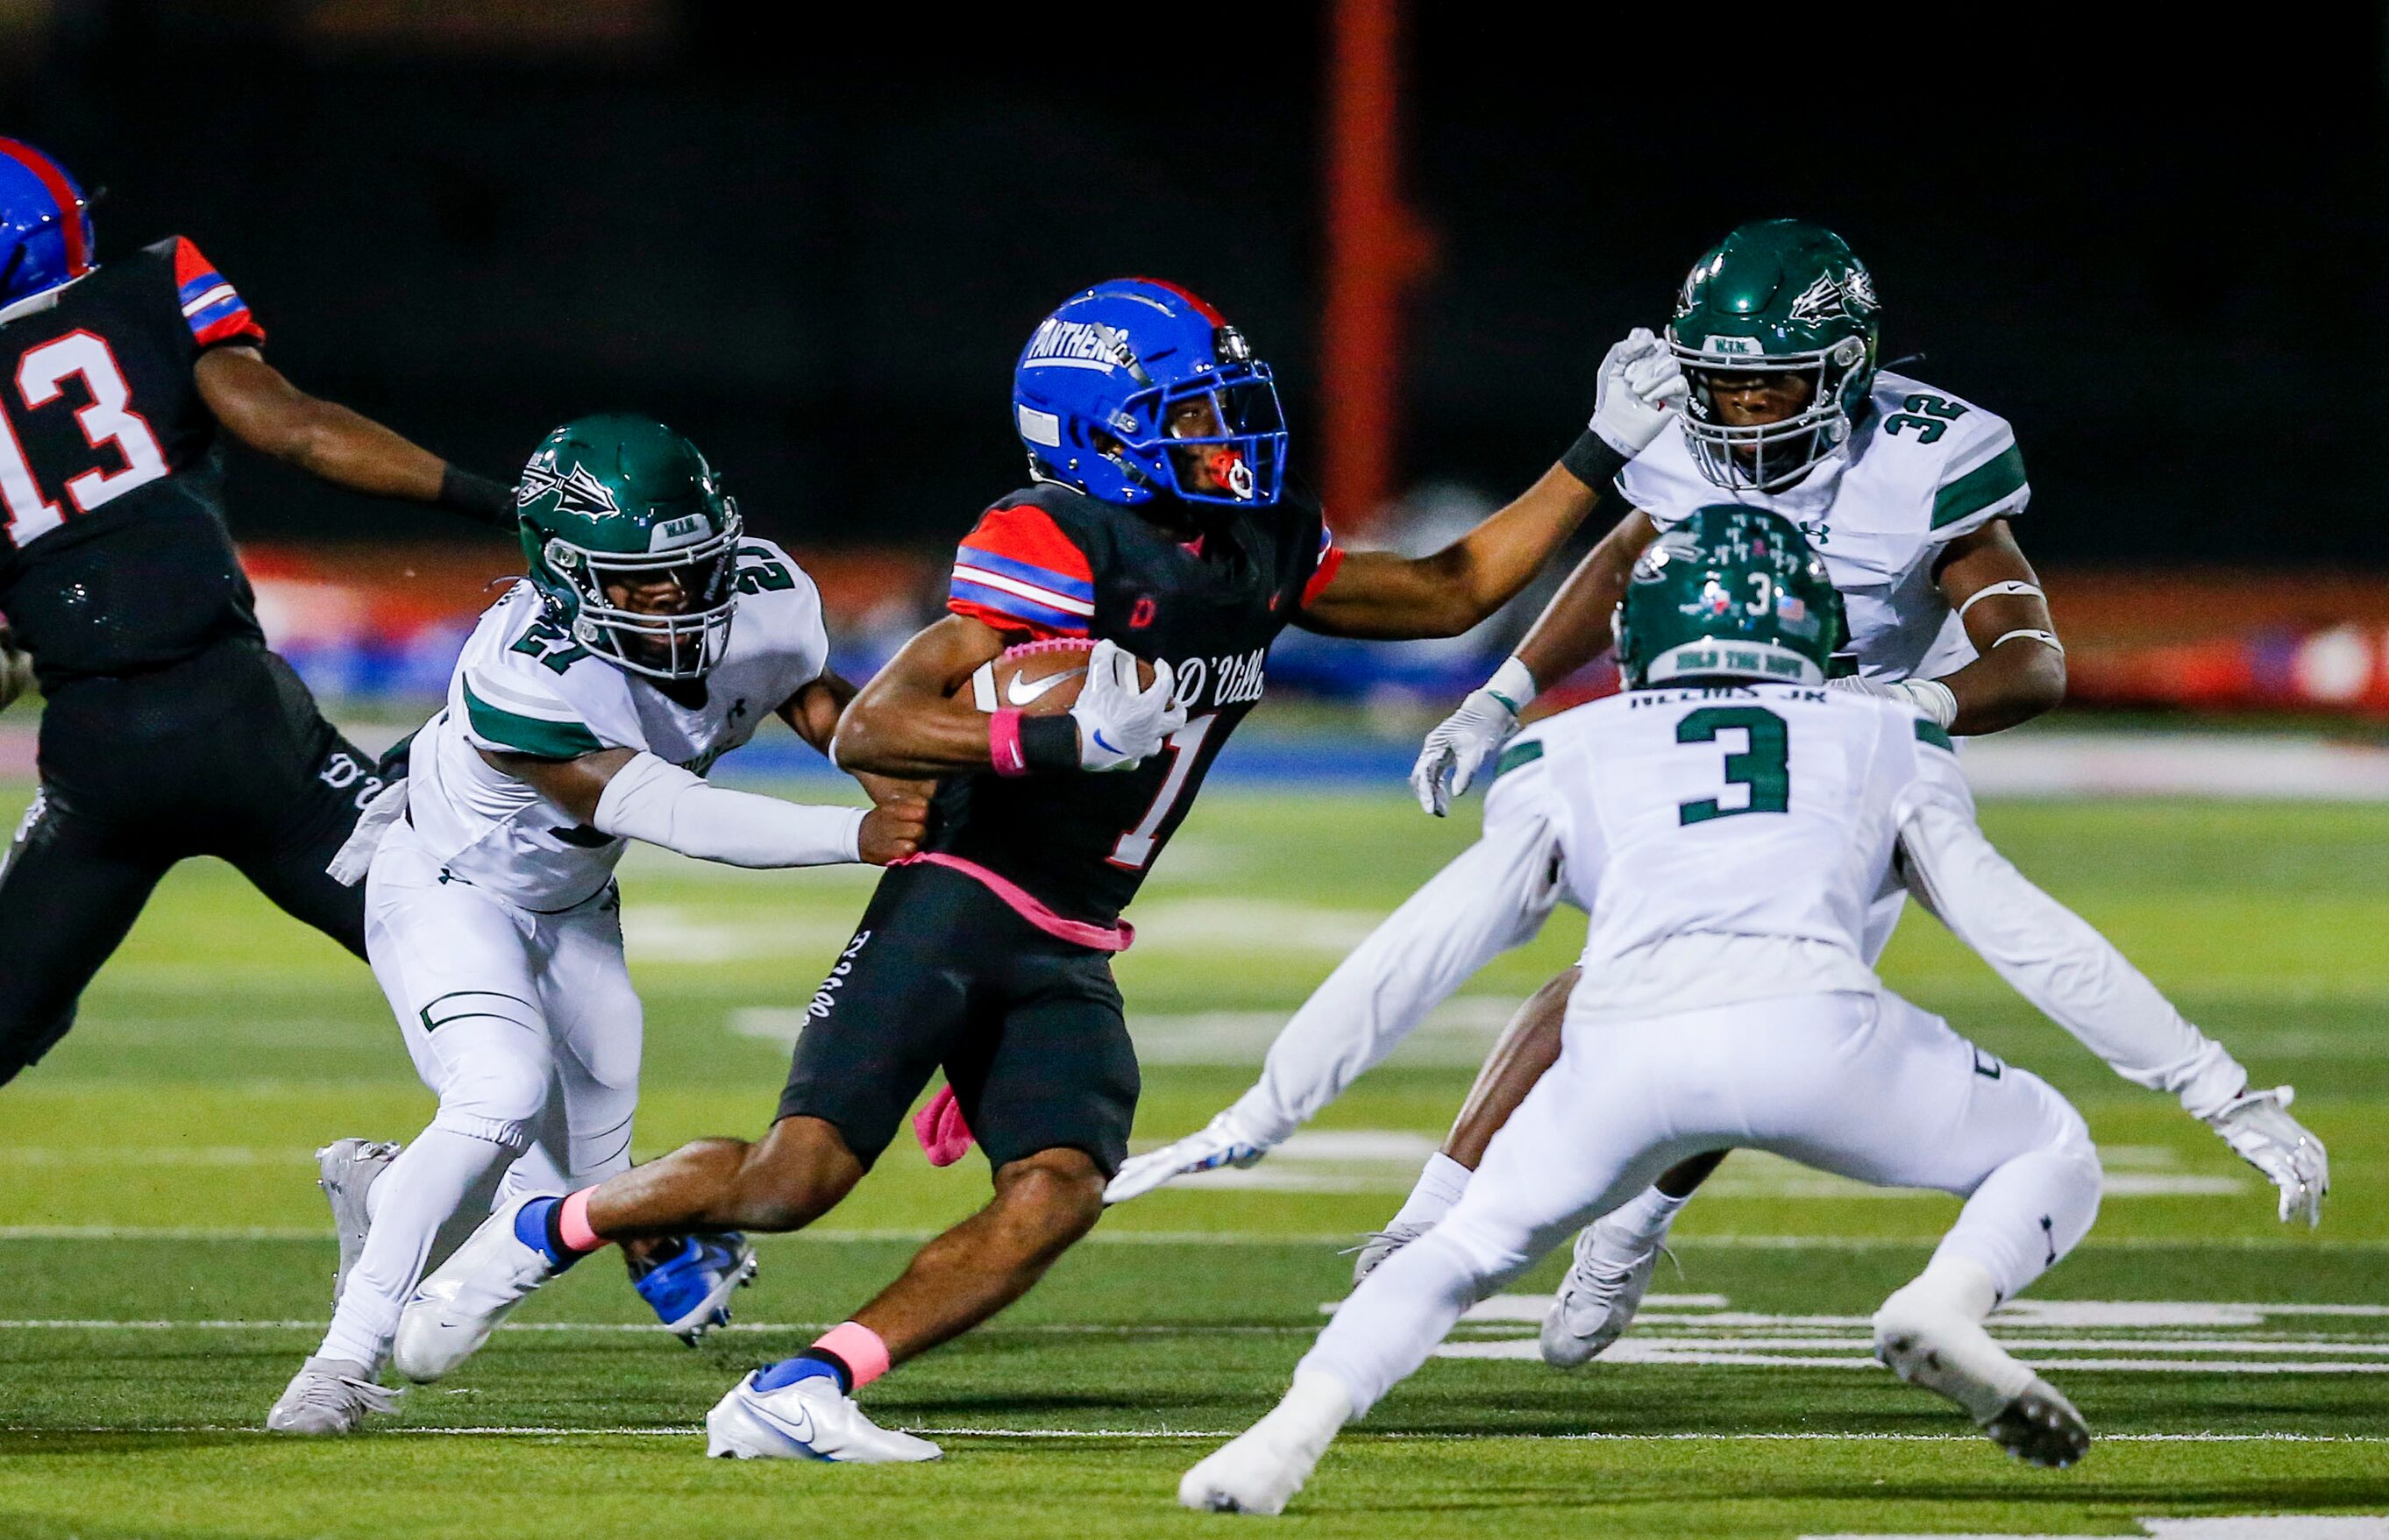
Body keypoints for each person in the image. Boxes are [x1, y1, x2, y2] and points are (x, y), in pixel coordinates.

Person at [390, 277, 1689, 1463]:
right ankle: (544, 1230)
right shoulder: (1056, 538)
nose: (1224, 441)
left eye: (1225, 413)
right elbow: (876, 722)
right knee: (792, 1184)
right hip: (958, 893)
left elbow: (1452, 586)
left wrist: (1595, 455)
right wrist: (1059, 734)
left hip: (1074, 926)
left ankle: (807, 1384)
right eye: (1188, 420)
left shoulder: (1257, 543)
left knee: (1062, 1187)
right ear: (1096, 433)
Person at [1177, 506, 2327, 1514]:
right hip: (1819, 1036)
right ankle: (1941, 1304)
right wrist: (2215, 1087)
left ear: (1641, 631)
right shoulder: (1883, 727)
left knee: (1464, 1244)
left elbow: (1419, 949)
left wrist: (1267, 1108)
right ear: (1812, 629)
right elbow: (2021, 931)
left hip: (1619, 1047)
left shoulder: (1565, 745)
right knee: (2048, 1149)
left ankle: (1283, 1439)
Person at [1114, 219, 2072, 1359]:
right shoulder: (1680, 426)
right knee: (1622, 966)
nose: (1736, 412)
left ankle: (1626, 1226)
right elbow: (1623, 555)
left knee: (1753, 1014)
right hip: (1682, 729)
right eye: (1716, 382)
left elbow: (2031, 658)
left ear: (1847, 369)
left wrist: (1917, 704)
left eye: (1767, 389)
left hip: (1848, 773)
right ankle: (1436, 1210)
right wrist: (1503, 693)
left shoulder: (1926, 458)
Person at [265, 414, 928, 1434]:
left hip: (572, 902)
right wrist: (857, 835)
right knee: (499, 1091)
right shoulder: (522, 667)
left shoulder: (764, 596)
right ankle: (335, 1367)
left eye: (694, 567)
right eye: (637, 579)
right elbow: (659, 808)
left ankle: (389, 1195)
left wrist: (912, 781)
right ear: (565, 573)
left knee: (573, 1194)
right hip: (447, 882)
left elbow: (816, 704)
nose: (676, 597)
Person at [0, 137, 520, 1082]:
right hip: (239, 725)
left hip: (95, 758)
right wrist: (506, 505)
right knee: (474, 961)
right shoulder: (150, 288)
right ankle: (637, 1218)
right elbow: (299, 430)